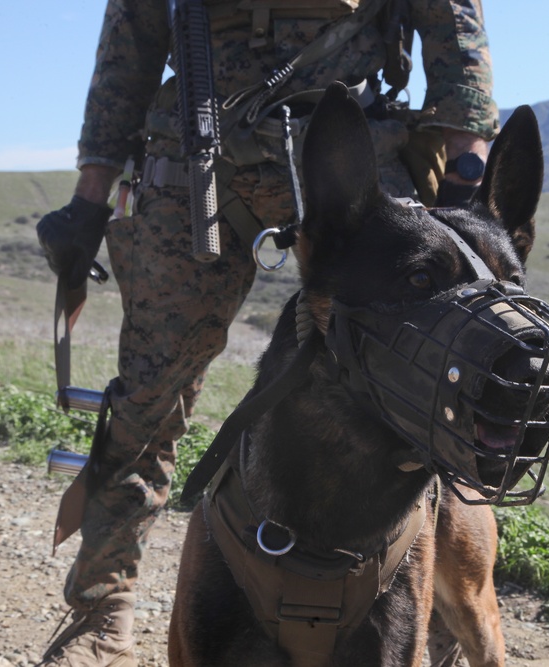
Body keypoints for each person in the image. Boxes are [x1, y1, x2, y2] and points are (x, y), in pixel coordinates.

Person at [35, 0, 499, 664]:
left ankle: (408, 603)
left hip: (348, 141)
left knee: (405, 378)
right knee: (147, 395)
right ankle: (102, 611)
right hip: (196, 146)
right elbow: (129, 39)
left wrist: (465, 167)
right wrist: (91, 194)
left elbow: (451, 16)